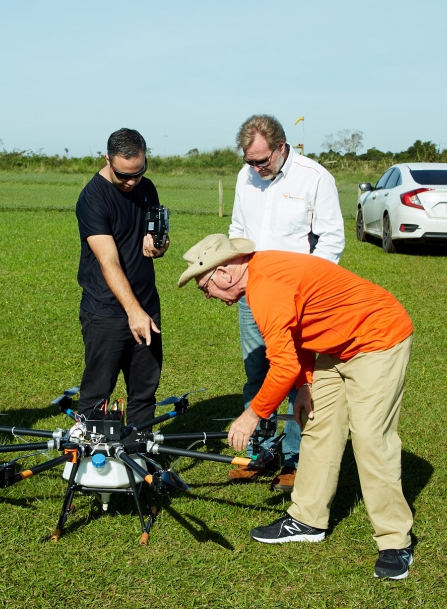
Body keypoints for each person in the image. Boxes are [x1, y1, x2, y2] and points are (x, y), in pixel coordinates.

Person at [178, 234, 416, 580]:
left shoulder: (265, 287)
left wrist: (252, 415)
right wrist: (305, 384)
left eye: (205, 287)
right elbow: (297, 333)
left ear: (225, 273)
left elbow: (282, 366)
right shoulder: (259, 280)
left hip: (378, 338)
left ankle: (395, 541)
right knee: (318, 426)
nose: (207, 295)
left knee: (369, 437)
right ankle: (307, 519)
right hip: (336, 347)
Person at [227, 115, 345, 491]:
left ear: (281, 147)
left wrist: (307, 286)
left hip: (298, 299)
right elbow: (237, 230)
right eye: (249, 161)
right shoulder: (246, 177)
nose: (256, 168)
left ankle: (294, 459)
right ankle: (257, 451)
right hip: (254, 293)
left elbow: (331, 239)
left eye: (262, 161)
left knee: (297, 377)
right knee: (256, 372)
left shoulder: (315, 178)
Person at [75, 128, 169, 427]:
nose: (131, 182)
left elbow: (156, 233)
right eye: (123, 175)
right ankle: (89, 454)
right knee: (97, 394)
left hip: (146, 305)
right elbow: (109, 261)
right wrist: (133, 311)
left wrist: (160, 246)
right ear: (108, 160)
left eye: (138, 173)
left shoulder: (147, 188)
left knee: (144, 393)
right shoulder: (93, 198)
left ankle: (138, 451)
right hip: (106, 310)